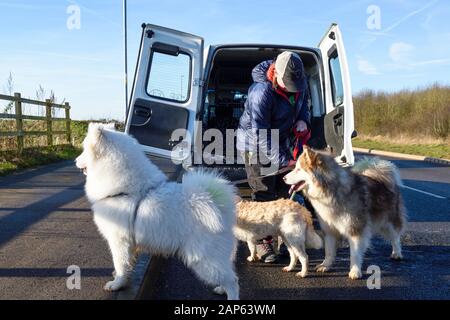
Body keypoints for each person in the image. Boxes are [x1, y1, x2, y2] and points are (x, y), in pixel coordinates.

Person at [236, 51, 311, 263]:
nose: (292, 88)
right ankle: (262, 240)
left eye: (295, 84)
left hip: (282, 138)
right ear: (275, 73)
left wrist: (304, 121)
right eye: (287, 83)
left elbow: (303, 105)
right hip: (255, 143)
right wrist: (283, 160)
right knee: (263, 191)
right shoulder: (261, 92)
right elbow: (260, 133)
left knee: (283, 190)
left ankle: (286, 236)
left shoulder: (299, 82)